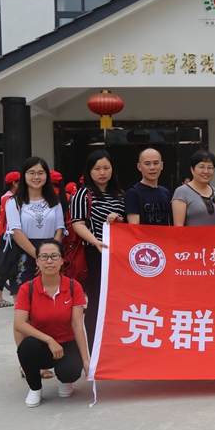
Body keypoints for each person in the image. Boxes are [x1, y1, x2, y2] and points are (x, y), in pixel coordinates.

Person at [14, 239, 89, 408]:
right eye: (44, 256)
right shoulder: (27, 288)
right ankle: (35, 388)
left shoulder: (73, 286)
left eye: (54, 256)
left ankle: (65, 380)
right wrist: (49, 340)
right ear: (37, 261)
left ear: (62, 260)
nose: (49, 261)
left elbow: (77, 325)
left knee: (71, 370)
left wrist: (85, 360)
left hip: (66, 343)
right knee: (26, 347)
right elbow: (19, 324)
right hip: (40, 345)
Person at [70, 150, 126, 350]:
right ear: (89, 171)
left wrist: (119, 219)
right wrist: (96, 242)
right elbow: (77, 224)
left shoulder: (120, 194)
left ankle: (113, 345)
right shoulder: (83, 194)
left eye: (106, 168)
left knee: (116, 300)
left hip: (117, 254)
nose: (102, 173)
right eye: (97, 168)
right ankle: (95, 348)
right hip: (95, 253)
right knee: (96, 300)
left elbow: (127, 222)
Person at [5, 157, 65, 297]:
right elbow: (15, 232)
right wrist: (39, 257)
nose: (36, 177)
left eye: (41, 173)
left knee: (50, 300)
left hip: (50, 256)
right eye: (31, 173)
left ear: (46, 176)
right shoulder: (14, 202)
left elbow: (59, 230)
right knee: (23, 301)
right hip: (24, 254)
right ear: (24, 175)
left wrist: (50, 257)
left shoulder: (55, 202)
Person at [173, 150, 215, 226]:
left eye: (210, 167)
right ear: (192, 169)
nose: (206, 171)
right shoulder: (182, 192)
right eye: (201, 167)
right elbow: (178, 227)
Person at [0, 171, 19, 308]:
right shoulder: (10, 198)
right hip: (9, 237)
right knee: (6, 267)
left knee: (5, 266)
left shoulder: (5, 197)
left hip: (4, 235)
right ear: (14, 183)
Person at [125, 148, 172, 225]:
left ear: (162, 165)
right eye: (147, 164)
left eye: (156, 163)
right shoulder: (133, 193)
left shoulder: (166, 192)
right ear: (139, 167)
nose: (152, 167)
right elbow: (134, 227)